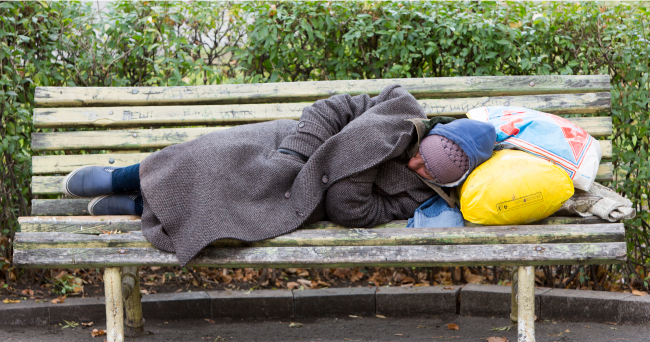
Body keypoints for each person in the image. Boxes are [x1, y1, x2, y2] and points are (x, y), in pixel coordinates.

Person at [61, 85, 495, 266]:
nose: (417, 167)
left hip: (306, 200)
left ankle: (142, 206)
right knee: (212, 156)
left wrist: (352, 176)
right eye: (423, 157)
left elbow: (356, 211)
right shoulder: (398, 110)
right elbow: (332, 109)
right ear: (433, 134)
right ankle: (125, 179)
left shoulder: (419, 195)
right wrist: (296, 151)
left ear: (443, 182)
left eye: (429, 173)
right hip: (291, 144)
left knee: (231, 209)